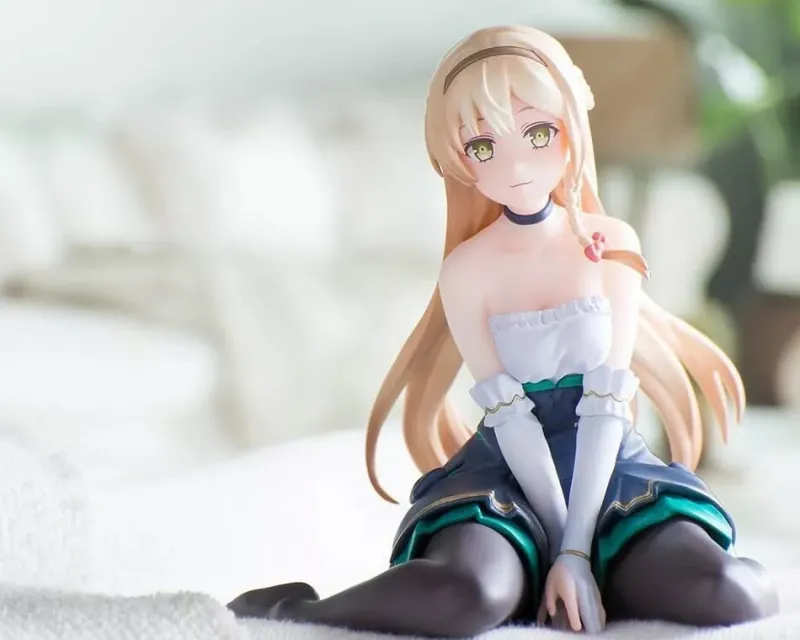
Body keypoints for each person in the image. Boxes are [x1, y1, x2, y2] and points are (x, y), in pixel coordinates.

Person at [228, 25, 779, 636]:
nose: (515, 164)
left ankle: (614, 572)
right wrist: (559, 550)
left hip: (611, 468)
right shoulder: (467, 270)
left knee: (725, 592)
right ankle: (293, 609)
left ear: (571, 127)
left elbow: (608, 407)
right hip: (506, 475)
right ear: (455, 159)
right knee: (466, 595)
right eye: (483, 146)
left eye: (538, 133)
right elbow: (511, 417)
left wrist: (576, 553)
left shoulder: (611, 244)